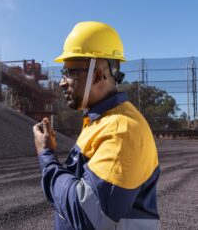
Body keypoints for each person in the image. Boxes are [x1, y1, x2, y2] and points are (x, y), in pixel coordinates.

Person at [33, 21, 160, 230]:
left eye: (70, 72)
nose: (62, 82)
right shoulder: (100, 121)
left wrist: (46, 156)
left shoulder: (122, 129)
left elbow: (87, 216)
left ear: (98, 75)